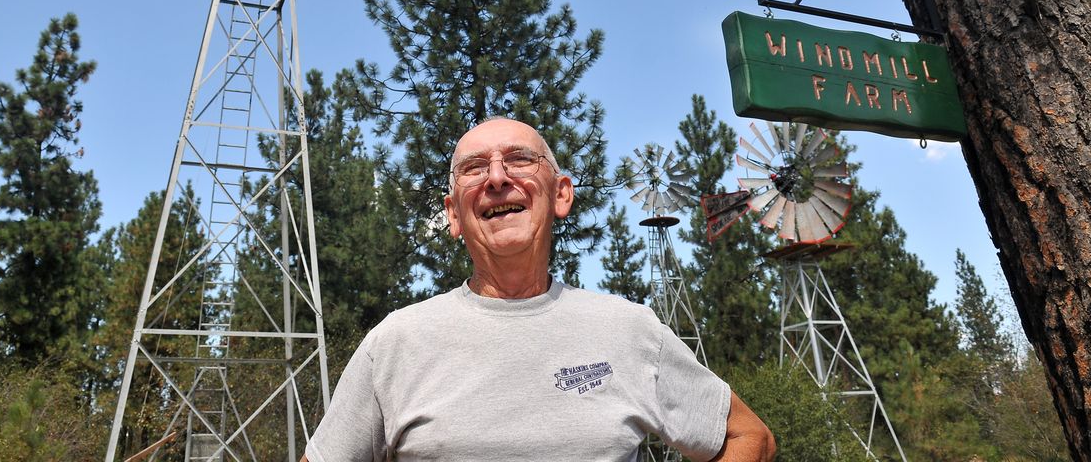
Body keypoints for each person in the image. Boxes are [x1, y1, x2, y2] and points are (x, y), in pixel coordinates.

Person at [303, 117, 776, 462]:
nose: (496, 178)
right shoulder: (396, 342)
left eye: (519, 160)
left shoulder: (629, 330)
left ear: (561, 194)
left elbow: (749, 438)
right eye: (474, 168)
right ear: (452, 213)